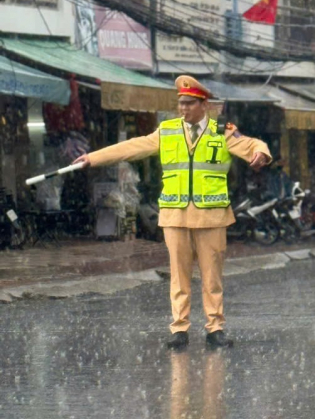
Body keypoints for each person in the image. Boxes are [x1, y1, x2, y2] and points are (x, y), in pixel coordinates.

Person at [73, 75, 271, 350]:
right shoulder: (166, 131)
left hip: (211, 215)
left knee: (212, 275)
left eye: (189, 103)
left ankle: (215, 328)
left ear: (204, 105)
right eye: (180, 103)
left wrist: (261, 153)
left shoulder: (222, 131)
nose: (183, 108)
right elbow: (131, 147)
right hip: (175, 214)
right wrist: (93, 158)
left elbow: (251, 144)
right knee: (179, 276)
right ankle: (180, 329)